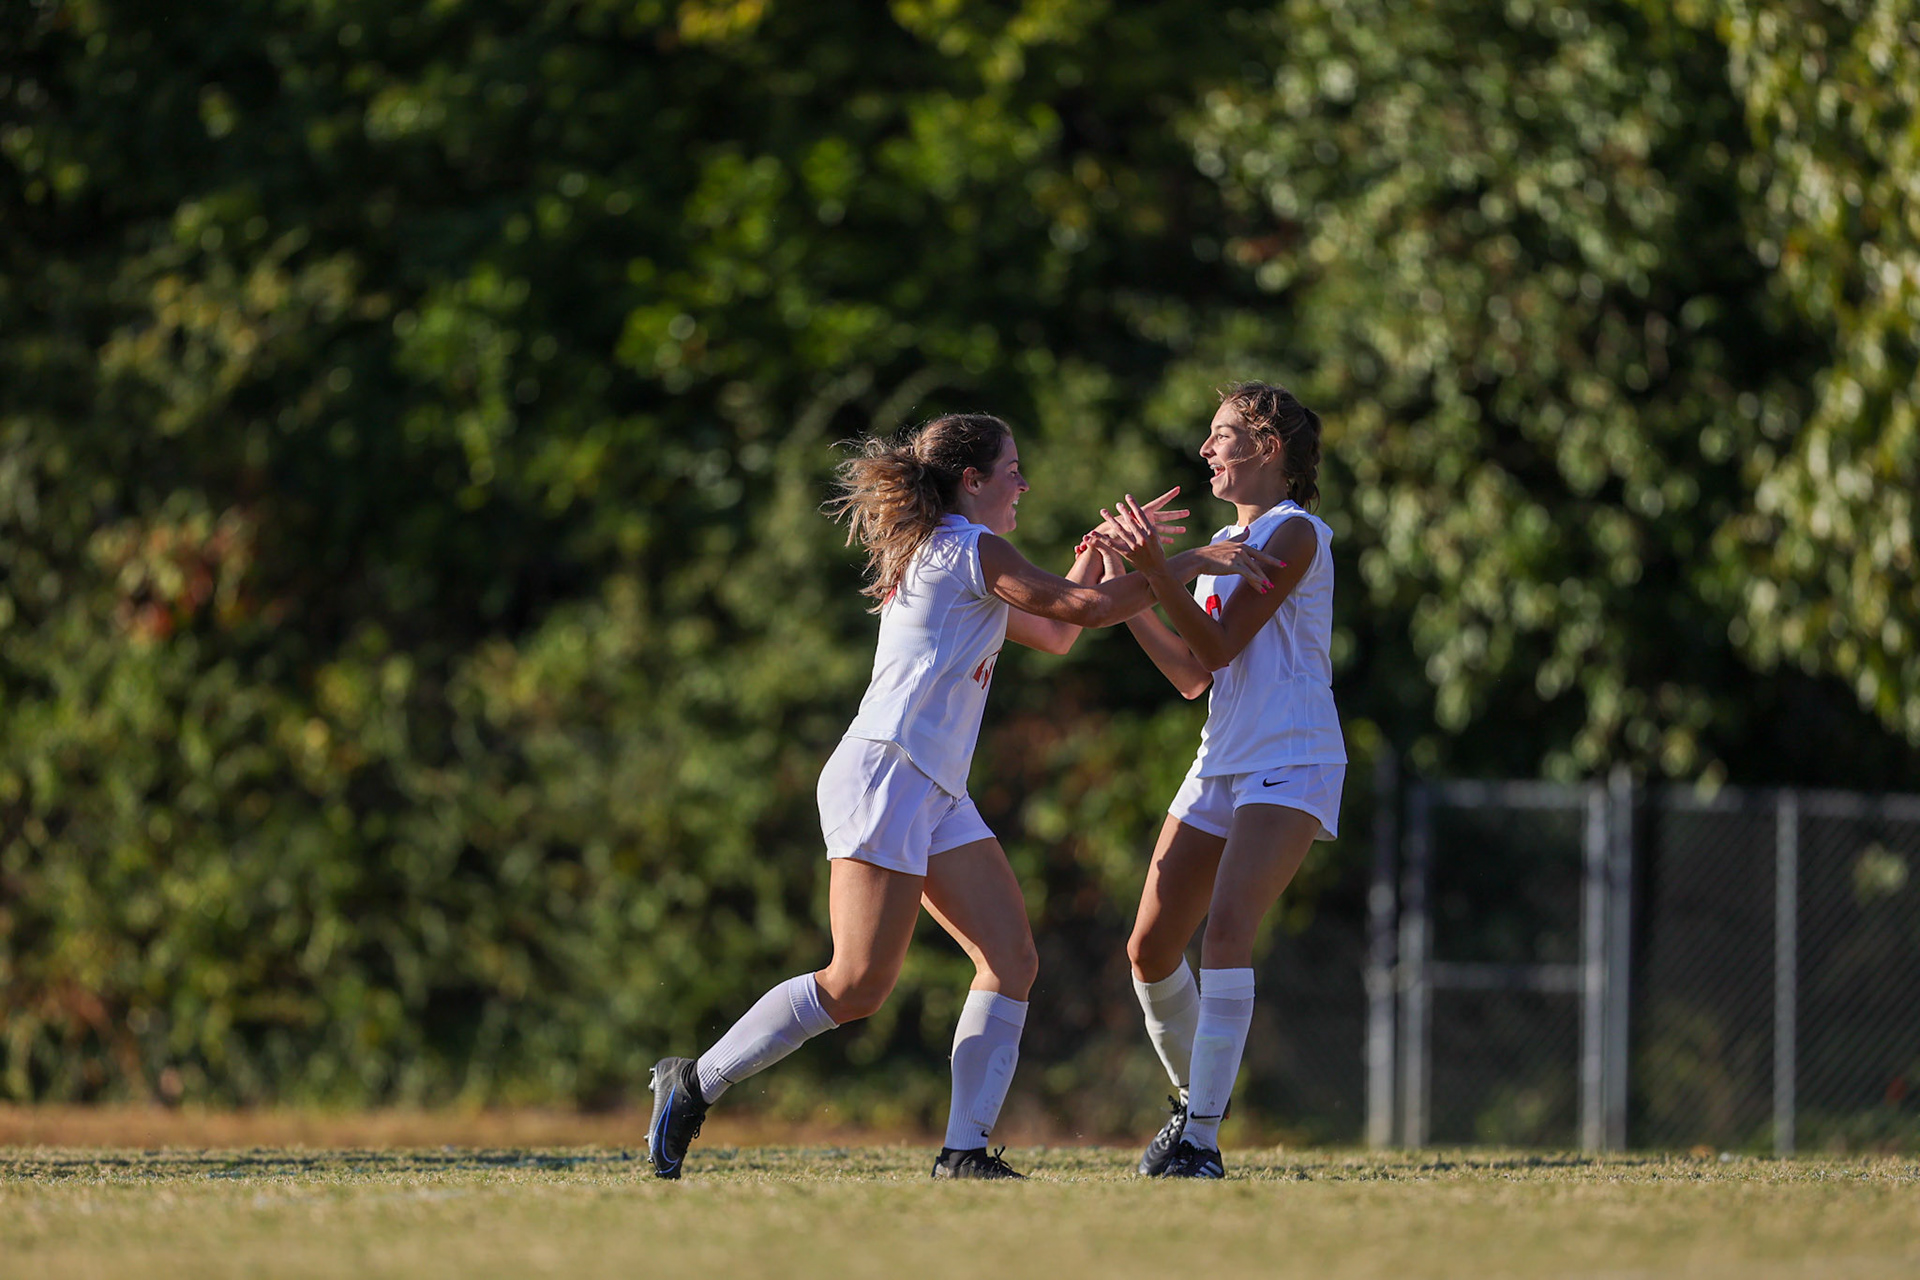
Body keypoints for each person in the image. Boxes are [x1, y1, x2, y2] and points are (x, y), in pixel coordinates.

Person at [646, 411, 1285, 1181]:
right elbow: (1078, 612)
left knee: (1011, 958)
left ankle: (963, 1152)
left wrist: (1098, 554)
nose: (1022, 482)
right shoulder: (964, 545)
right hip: (888, 772)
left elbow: (1054, 631)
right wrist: (1179, 563)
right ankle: (692, 1084)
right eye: (1010, 468)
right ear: (971, 482)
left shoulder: (959, 553)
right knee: (857, 984)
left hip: (934, 786)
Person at [1085, 382, 1345, 1180]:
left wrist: (1158, 571)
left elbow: (1224, 647)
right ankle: (1199, 1104)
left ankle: (1198, 1141)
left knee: (1228, 928)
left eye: (1222, 435)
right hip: (1222, 755)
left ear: (1267, 450)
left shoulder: (1294, 534)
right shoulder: (1225, 548)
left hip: (1291, 754)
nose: (1206, 449)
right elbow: (1194, 674)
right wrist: (1128, 591)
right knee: (1149, 948)